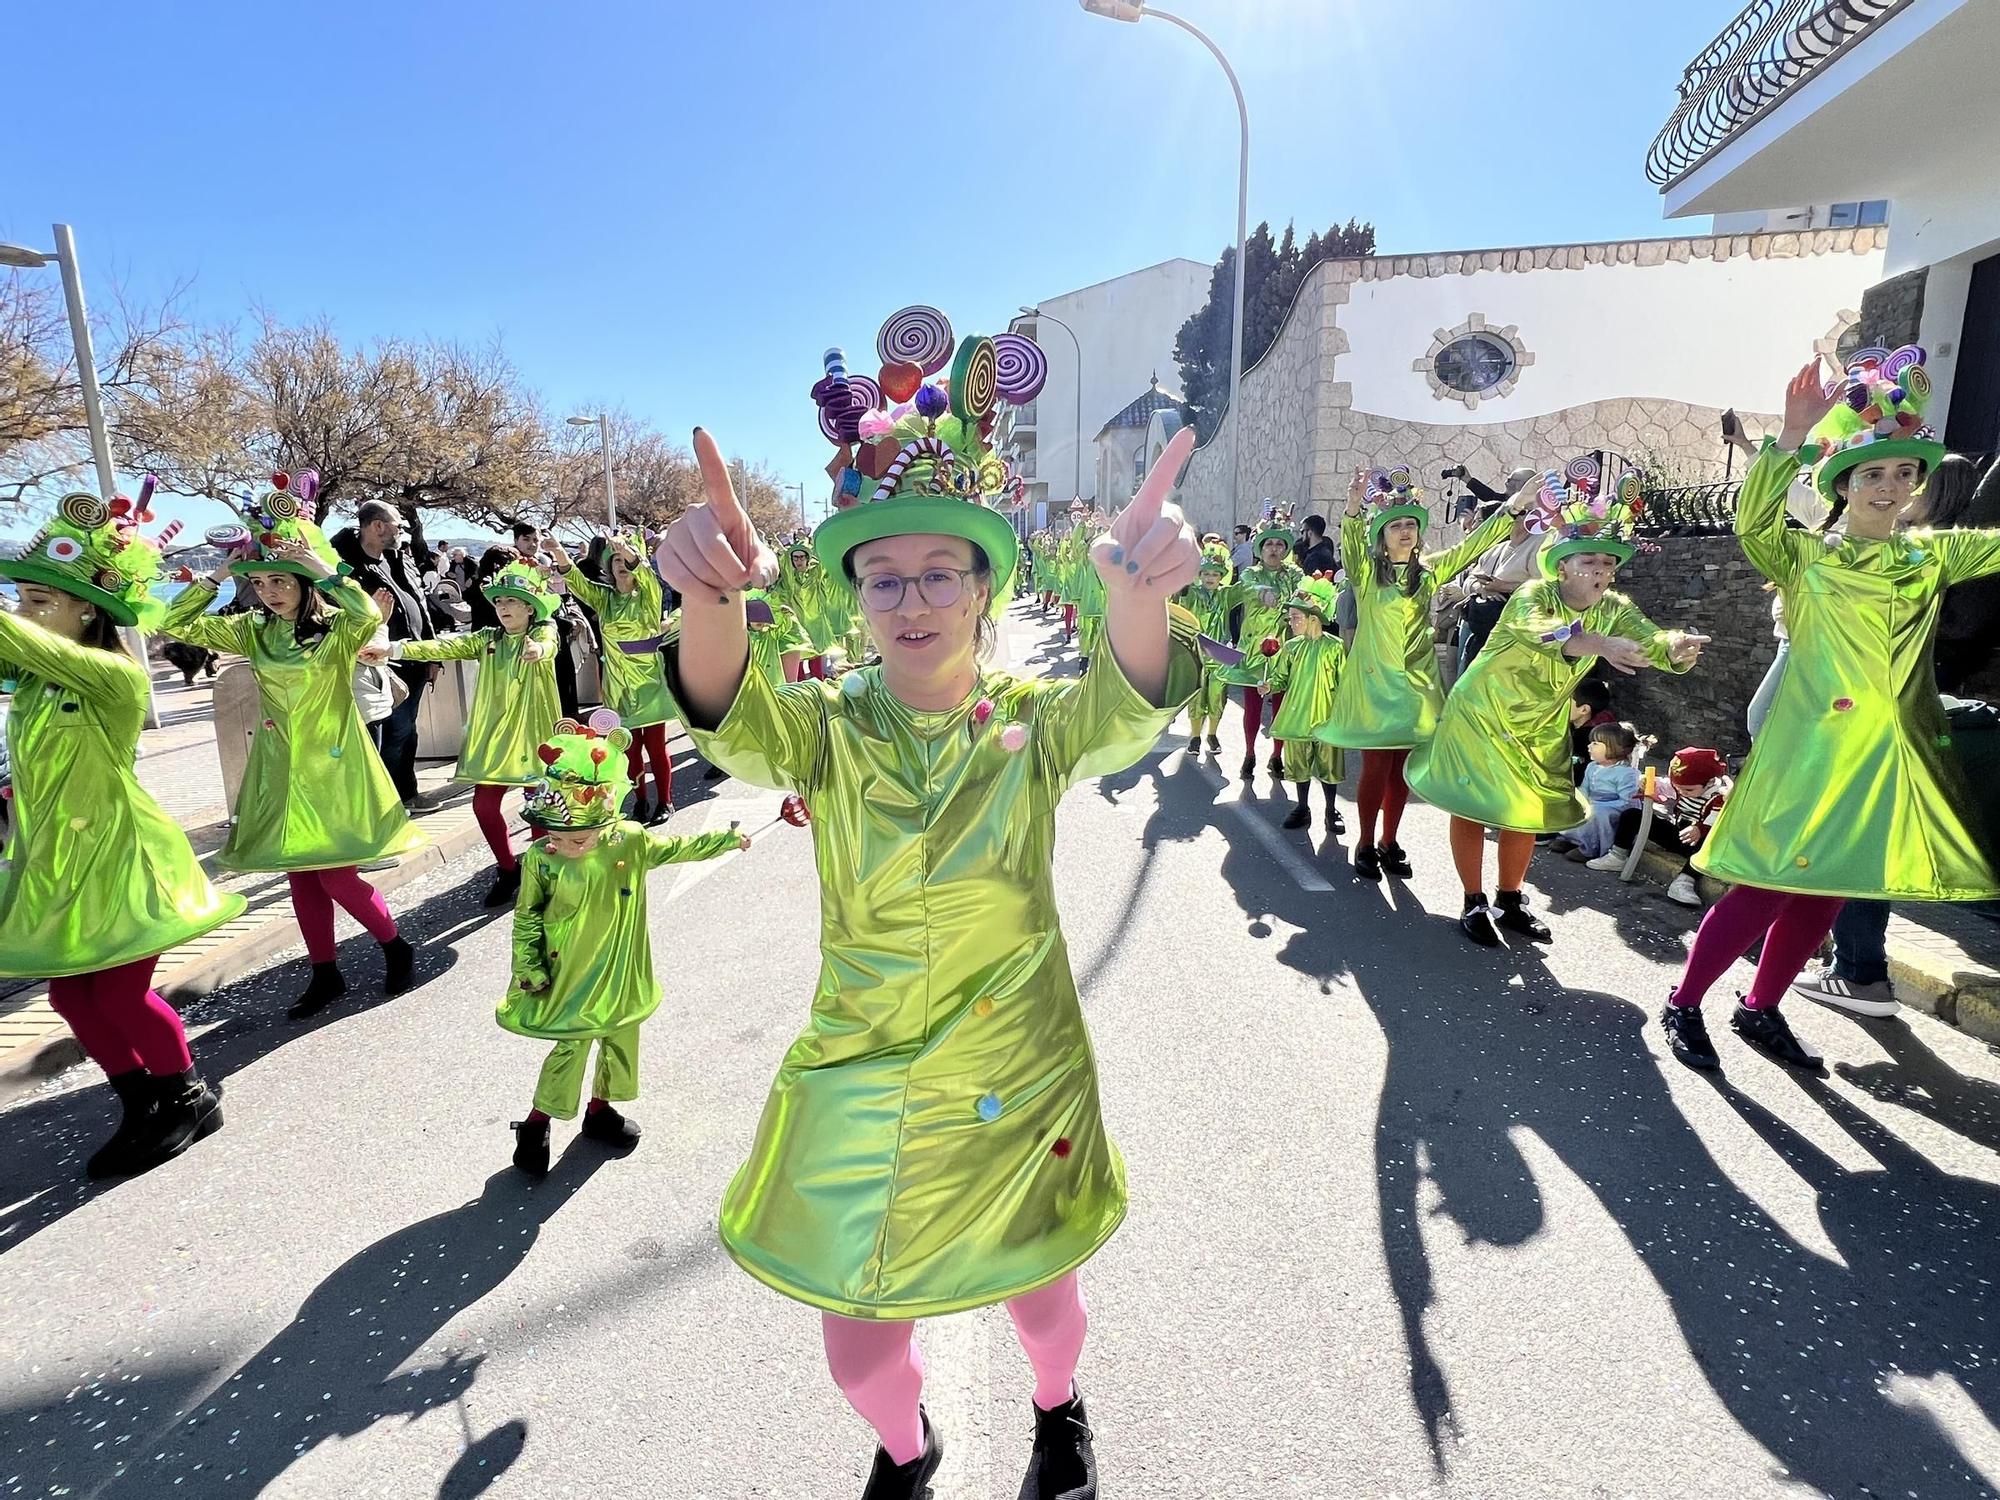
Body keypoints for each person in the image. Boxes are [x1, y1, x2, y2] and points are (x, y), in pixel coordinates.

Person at [657, 313, 1202, 1500]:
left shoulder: (1032, 724)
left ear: (978, 588)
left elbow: (1124, 710)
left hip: (1019, 1058)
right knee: (856, 1347)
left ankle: (1059, 1413)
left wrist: (1137, 591)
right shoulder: (826, 727)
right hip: (863, 1063)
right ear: (855, 596)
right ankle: (909, 1449)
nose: (913, 598)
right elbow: (728, 717)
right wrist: (707, 597)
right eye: (884, 576)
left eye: (938, 572)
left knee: (1044, 1305)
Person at [1661, 353, 2000, 1070]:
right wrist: (1789, 436)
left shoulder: (1934, 558)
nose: (1889, 485)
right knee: (1768, 887)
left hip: (1879, 760)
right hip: (1808, 754)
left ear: (1917, 485)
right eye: (1873, 473)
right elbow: (1753, 522)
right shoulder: (1809, 557)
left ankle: (1760, 1008)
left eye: (1904, 473)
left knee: (1828, 894)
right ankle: (1685, 1002)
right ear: (1846, 485)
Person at [0, 490, 246, 1178]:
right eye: (21, 599)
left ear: (89, 608)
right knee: (69, 994)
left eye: (40, 602)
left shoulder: (114, 675)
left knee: (118, 994)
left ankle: (189, 1096)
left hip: (118, 853)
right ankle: (142, 1103)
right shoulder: (34, 682)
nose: (24, 614)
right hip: (56, 857)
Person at [1407, 465, 1707, 947]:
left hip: (1542, 722)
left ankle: (1509, 899)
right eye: (1589, 561)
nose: (1601, 572)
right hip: (1483, 715)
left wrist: (1674, 647)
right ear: (1563, 565)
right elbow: (1547, 634)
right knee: (1472, 806)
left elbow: (1647, 638)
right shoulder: (1532, 594)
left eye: (1608, 564)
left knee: (1527, 810)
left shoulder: (1615, 607)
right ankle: (1472, 901)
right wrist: (1600, 643)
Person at [163, 478, 424, 1018]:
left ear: (306, 584)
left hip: (332, 765)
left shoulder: (334, 631)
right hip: (280, 767)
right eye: (261, 585)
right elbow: (175, 624)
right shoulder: (254, 632)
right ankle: (325, 972)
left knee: (335, 875)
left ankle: (394, 945)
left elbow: (367, 617)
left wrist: (327, 567)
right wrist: (219, 573)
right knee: (300, 875)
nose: (271, 592)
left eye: (282, 580)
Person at [503, 717, 747, 1177]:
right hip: (569, 970)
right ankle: (537, 1123)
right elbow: (526, 916)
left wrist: (728, 838)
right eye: (554, 836)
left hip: (622, 966)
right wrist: (529, 965)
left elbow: (678, 847)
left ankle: (600, 1109)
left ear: (607, 820)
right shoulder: (542, 858)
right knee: (570, 1048)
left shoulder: (629, 842)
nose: (565, 846)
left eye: (576, 839)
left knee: (621, 1037)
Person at [1318, 464, 1528, 880]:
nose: (1404, 531)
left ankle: (1389, 840)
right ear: (1382, 535)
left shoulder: (1429, 573)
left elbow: (1470, 547)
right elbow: (1352, 544)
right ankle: (1364, 842)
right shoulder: (1365, 574)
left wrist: (1514, 508)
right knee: (1376, 768)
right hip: (1377, 685)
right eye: (1395, 525)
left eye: (1411, 524)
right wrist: (1353, 505)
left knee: (1403, 771)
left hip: (1416, 685)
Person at [377, 562, 561, 907]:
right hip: (495, 738)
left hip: (535, 737)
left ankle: (542, 873)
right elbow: (442, 647)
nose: (504, 607)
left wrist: (538, 651)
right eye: (500, 601)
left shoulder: (543, 633)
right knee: (483, 806)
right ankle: (508, 869)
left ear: (530, 607)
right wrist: (394, 650)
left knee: (539, 810)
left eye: (513, 601)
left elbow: (547, 644)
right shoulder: (488, 639)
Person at [549, 534, 678, 823]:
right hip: (618, 686)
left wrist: (630, 553)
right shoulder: (605, 598)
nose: (621, 564)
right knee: (628, 749)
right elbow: (579, 584)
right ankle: (641, 800)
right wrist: (559, 552)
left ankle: (665, 801)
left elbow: (645, 573)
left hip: (649, 683)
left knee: (656, 746)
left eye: (626, 560)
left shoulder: (648, 593)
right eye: (615, 560)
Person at [332, 501, 437, 808]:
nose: (401, 531)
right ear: (377, 526)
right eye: (397, 525)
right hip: (379, 665)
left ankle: (406, 793)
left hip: (414, 657)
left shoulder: (397, 558)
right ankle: (393, 800)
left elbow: (418, 602)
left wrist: (431, 655)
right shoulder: (344, 566)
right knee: (394, 731)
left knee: (407, 731)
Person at [1215, 510, 1305, 779]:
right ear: (1260, 548)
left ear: (1286, 549)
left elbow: (1305, 593)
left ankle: (1277, 755)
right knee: (1252, 709)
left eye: (1279, 544)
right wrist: (1263, 593)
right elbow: (1247, 587)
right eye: (1269, 544)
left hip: (1285, 652)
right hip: (1254, 653)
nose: (1274, 549)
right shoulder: (1251, 574)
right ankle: (1250, 753)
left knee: (1281, 708)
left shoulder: (1295, 575)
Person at [1264, 575, 1347, 834]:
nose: (1291, 623)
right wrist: (1269, 686)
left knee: (1329, 766)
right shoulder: (1290, 647)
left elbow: (1344, 683)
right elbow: (1280, 678)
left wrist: (1345, 716)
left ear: (1313, 618)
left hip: (1326, 718)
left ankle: (1331, 808)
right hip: (1297, 717)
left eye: (1295, 618)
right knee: (1298, 765)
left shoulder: (1335, 647)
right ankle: (1302, 806)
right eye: (1289, 619)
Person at [1454, 486, 1548, 678]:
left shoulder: (1540, 545)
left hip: (1513, 638)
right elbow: (1469, 581)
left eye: (1523, 512)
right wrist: (1482, 588)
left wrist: (1503, 587)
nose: (1515, 517)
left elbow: (1545, 588)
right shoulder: (1498, 549)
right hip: (1481, 632)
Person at [1559, 720, 1651, 863]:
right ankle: (1571, 839)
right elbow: (1585, 788)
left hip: (1614, 808)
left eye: (1595, 744)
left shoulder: (1627, 773)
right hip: (1596, 802)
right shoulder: (1592, 767)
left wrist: (1597, 805)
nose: (1589, 746)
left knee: (1596, 812)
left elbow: (1628, 801)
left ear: (1614, 748)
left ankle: (1591, 849)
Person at [1653, 746, 1731, 908]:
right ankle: (1617, 855)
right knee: (1632, 815)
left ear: (1709, 782)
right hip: (1680, 834)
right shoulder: (1682, 785)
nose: (1682, 792)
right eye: (1679, 788)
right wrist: (1649, 782)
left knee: (1710, 845)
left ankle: (1684, 881)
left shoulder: (1718, 796)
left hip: (1699, 841)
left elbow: (1715, 818)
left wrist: (1700, 829)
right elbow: (1665, 785)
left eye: (1688, 790)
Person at [1176, 542, 1234, 755]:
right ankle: (1194, 736)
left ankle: (1212, 733)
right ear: (1199, 575)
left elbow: (1246, 589)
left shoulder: (1226, 595)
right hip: (1196, 655)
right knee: (1197, 697)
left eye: (1215, 574)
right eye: (1206, 573)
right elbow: (1178, 592)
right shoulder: (1191, 593)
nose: (1210, 578)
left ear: (1221, 577)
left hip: (1219, 657)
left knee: (1217, 697)